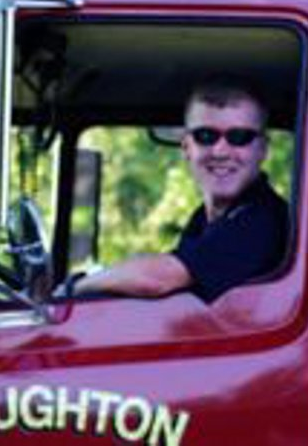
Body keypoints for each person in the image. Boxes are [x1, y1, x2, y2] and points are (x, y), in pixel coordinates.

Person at [72, 76, 289, 303]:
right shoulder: (204, 220)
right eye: (206, 136)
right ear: (187, 147)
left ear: (263, 149)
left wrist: (76, 286)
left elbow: (157, 280)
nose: (220, 151)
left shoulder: (263, 220)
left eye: (239, 137)